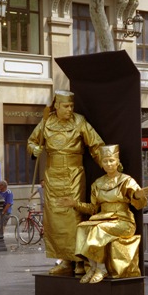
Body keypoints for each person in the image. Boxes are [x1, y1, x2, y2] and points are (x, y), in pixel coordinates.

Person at [27, 90, 105, 275]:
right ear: (57, 106)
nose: (70, 109)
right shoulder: (46, 122)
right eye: (66, 106)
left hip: (73, 175)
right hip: (53, 175)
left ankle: (80, 260)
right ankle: (65, 261)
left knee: (74, 217)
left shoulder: (80, 121)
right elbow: (31, 141)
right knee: (54, 220)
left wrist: (108, 163)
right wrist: (34, 149)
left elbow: (96, 145)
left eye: (71, 106)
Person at [58, 144, 148, 284]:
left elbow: (139, 203)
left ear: (117, 161)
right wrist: (75, 204)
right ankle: (92, 267)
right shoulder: (97, 183)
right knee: (82, 227)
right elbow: (93, 209)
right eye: (105, 161)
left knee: (98, 229)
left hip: (123, 221)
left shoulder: (126, 180)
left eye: (111, 160)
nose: (108, 164)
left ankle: (102, 269)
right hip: (103, 217)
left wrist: (137, 195)